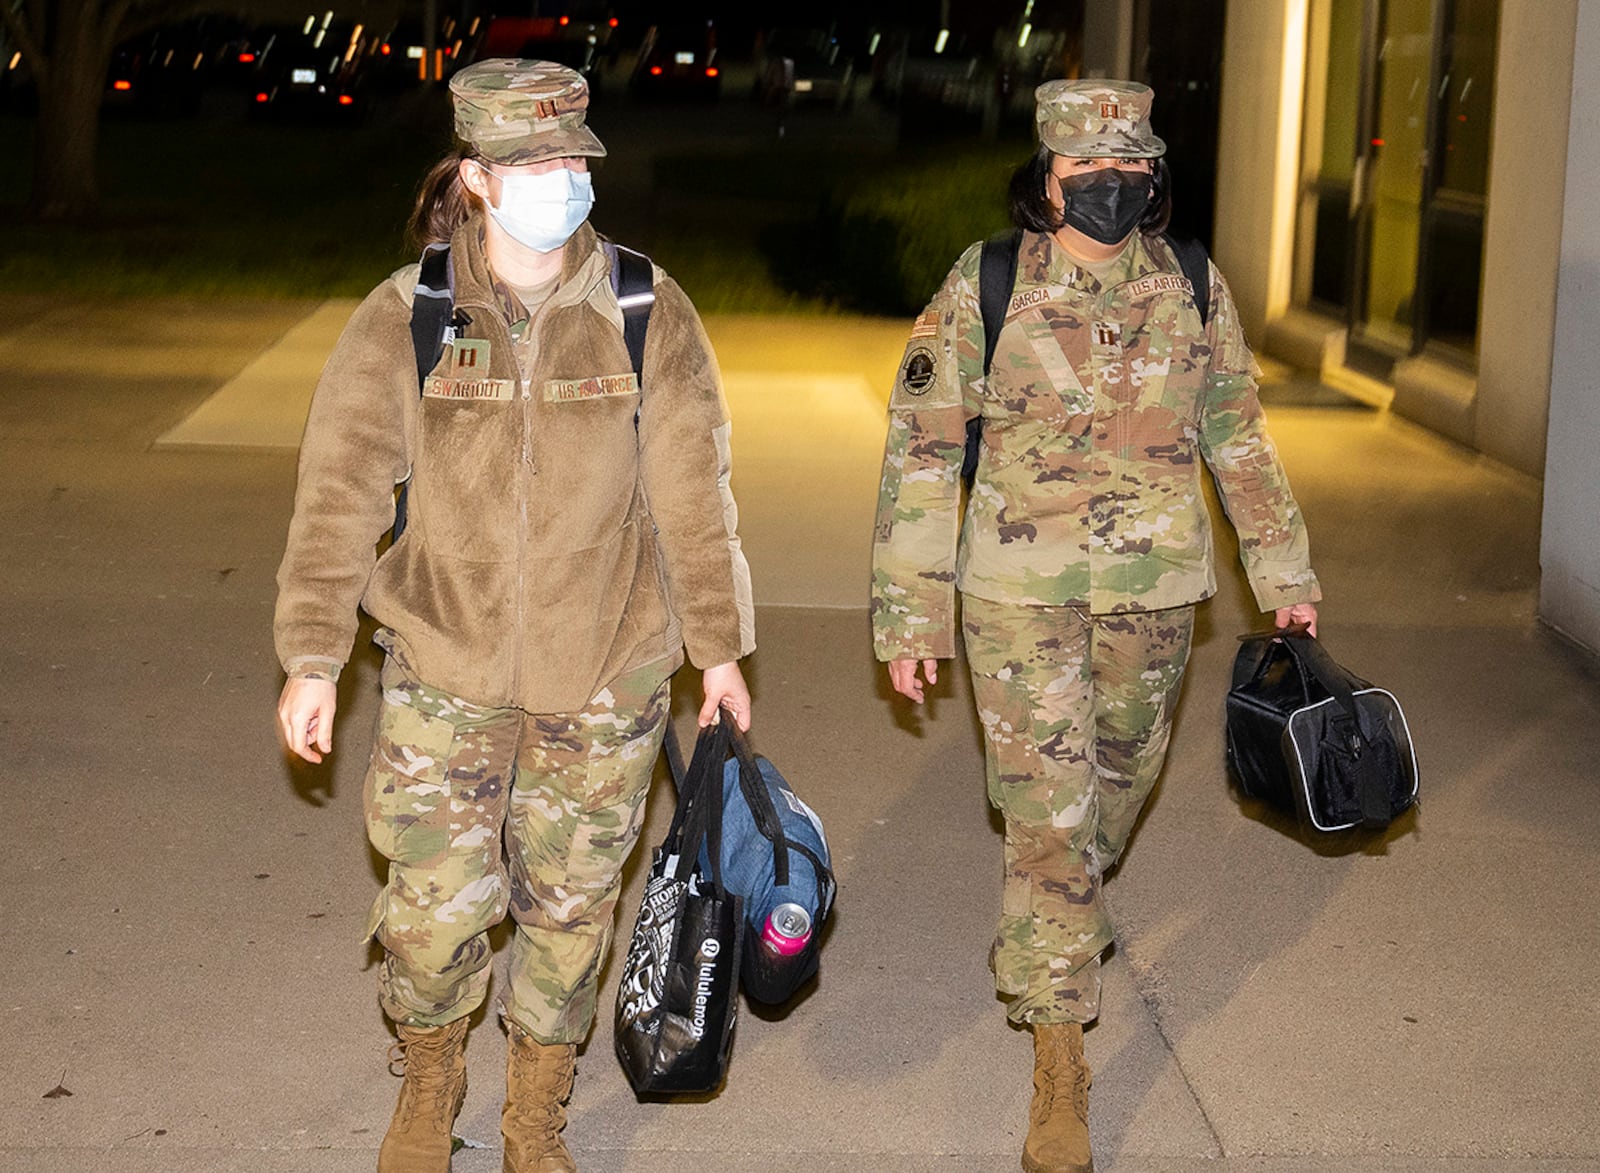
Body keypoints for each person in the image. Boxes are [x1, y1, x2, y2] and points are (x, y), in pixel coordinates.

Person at [273, 59, 756, 1173]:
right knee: (431, 920)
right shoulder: (410, 316)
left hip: (606, 675)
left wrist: (720, 650)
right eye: (531, 163)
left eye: (571, 160)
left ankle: (533, 1114)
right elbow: (338, 493)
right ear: (478, 177)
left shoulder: (644, 309)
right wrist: (311, 655)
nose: (560, 181)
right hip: (445, 670)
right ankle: (430, 1078)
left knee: (569, 917)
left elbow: (695, 493)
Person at [870, 80, 1320, 1173]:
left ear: (1152, 176)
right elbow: (924, 450)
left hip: (1155, 594)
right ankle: (1060, 1053)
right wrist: (909, 610)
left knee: (1108, 798)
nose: (1110, 188)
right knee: (1049, 821)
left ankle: (1056, 910)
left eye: (1130, 171)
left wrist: (1282, 569)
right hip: (1016, 596)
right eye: (1087, 173)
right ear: (1047, 177)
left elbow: (1238, 434)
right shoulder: (985, 285)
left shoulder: (1194, 287)